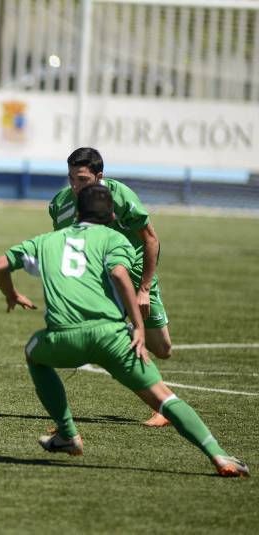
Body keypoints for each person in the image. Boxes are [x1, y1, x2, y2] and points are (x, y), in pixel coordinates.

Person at [0, 185, 248, 478]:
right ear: (112, 214)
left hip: (63, 338)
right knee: (163, 397)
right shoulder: (116, 239)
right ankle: (218, 455)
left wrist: (11, 294)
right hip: (112, 337)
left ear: (76, 212)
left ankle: (67, 433)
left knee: (33, 354)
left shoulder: (45, 241)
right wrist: (138, 326)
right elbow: (118, 273)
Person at [49, 147, 172, 427]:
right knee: (111, 341)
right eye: (71, 179)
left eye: (82, 179)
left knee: (162, 348)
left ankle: (129, 333)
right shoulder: (60, 205)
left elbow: (151, 240)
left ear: (99, 176)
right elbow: (68, 246)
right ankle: (162, 407)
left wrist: (144, 288)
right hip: (103, 281)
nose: (75, 186)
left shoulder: (120, 197)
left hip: (137, 273)